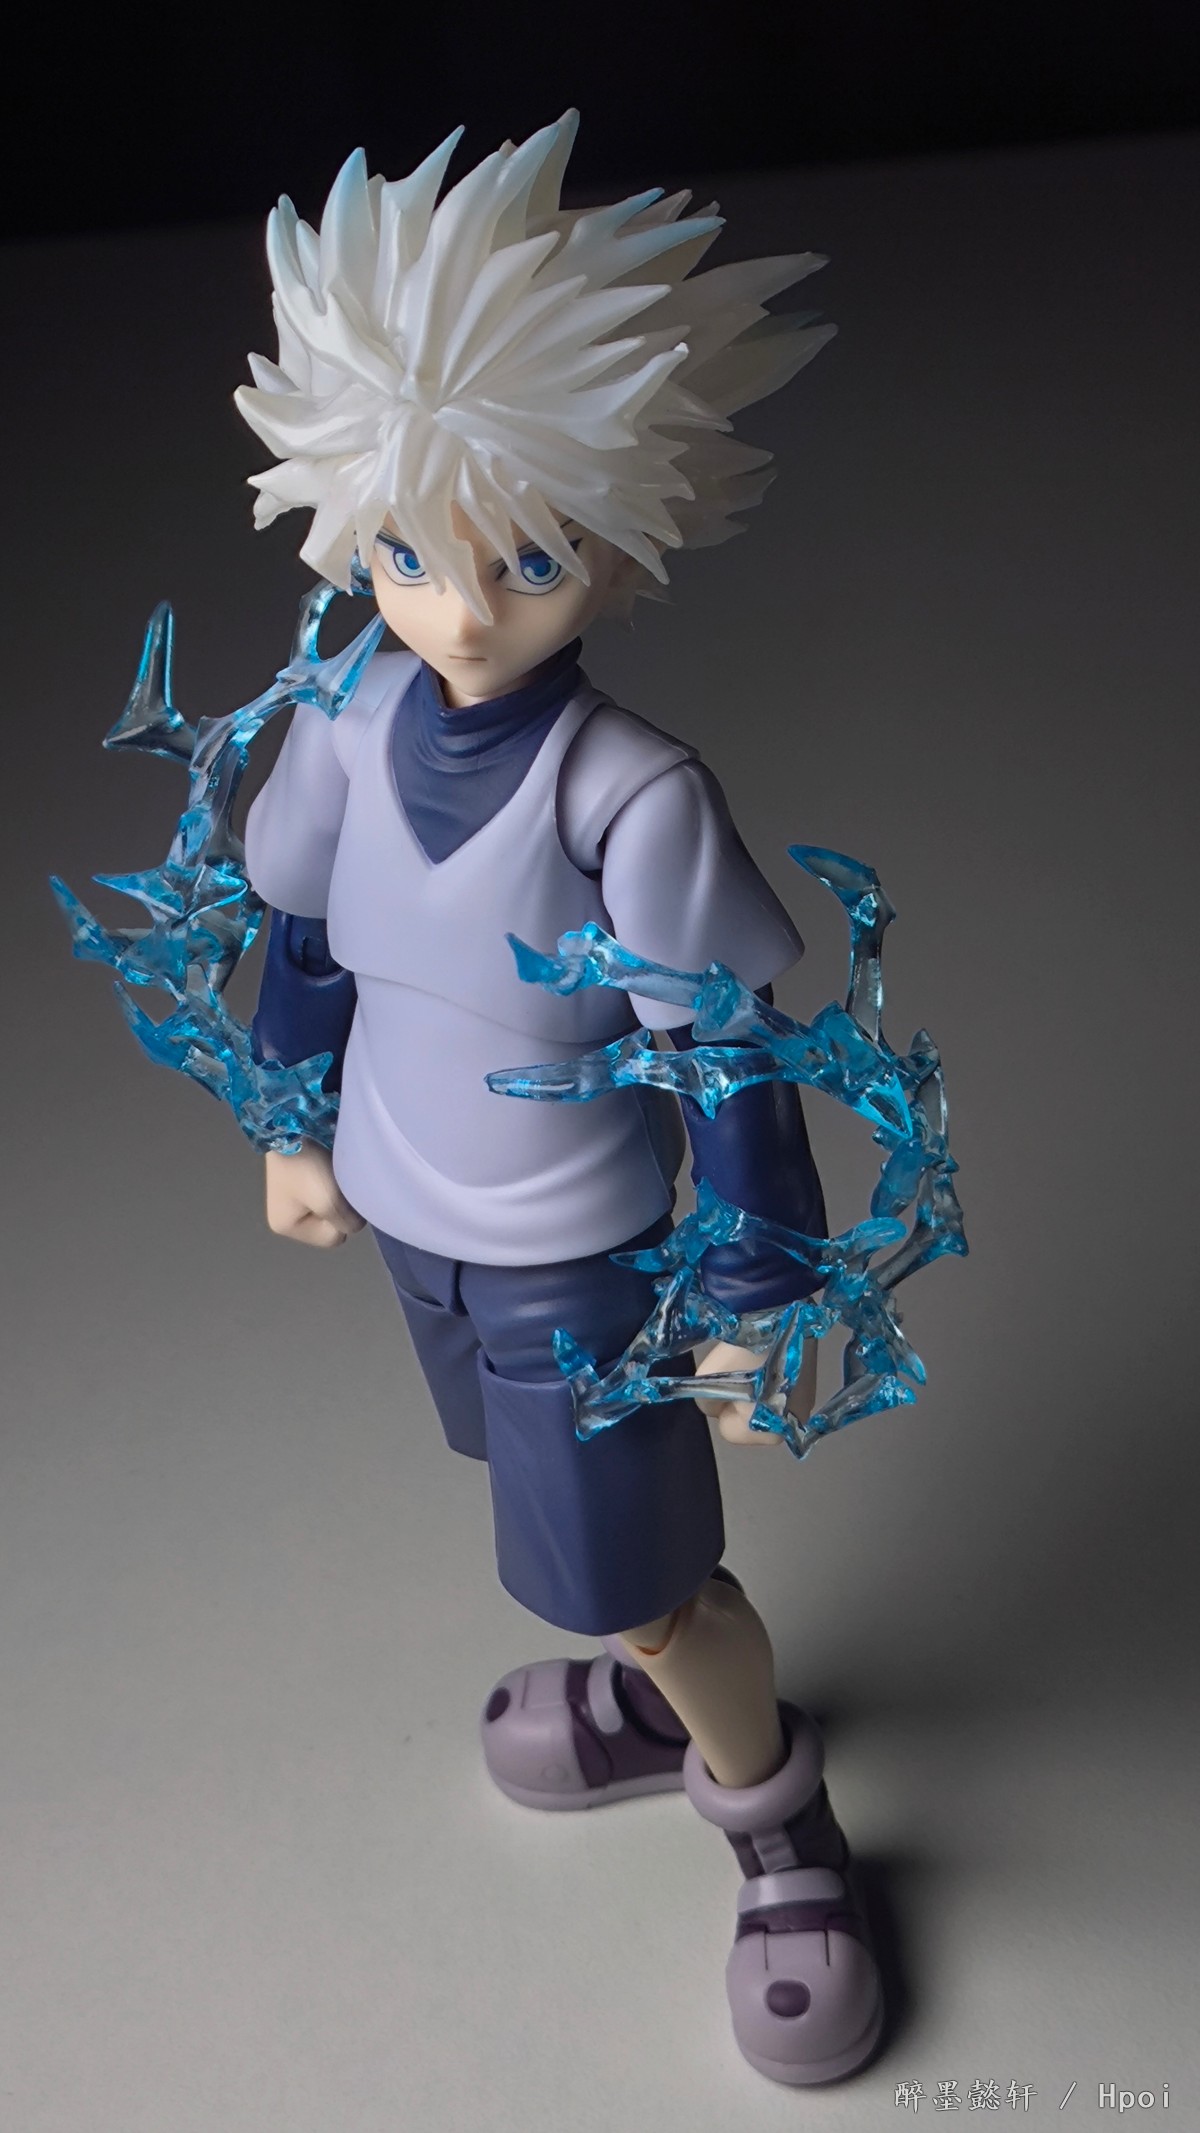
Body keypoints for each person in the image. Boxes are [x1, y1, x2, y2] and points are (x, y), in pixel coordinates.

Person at [238, 111, 884, 2086]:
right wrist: (288, 1121)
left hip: (579, 1258)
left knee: (653, 1576)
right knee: (558, 1523)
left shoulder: (628, 793)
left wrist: (763, 1289)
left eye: (524, 562)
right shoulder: (345, 715)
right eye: (410, 554)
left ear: (619, 540)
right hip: (409, 1214)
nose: (457, 611)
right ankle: (648, 1688)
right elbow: (301, 939)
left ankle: (779, 1826)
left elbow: (729, 1053)